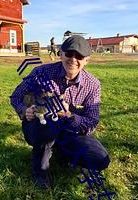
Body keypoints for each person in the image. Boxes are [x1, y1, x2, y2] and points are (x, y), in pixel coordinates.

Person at [10, 35, 110, 189]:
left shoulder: (93, 85)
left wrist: (69, 115)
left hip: (70, 130)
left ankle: (62, 153)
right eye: (69, 54)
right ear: (60, 54)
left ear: (87, 60)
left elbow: (92, 122)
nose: (73, 60)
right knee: (48, 123)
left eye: (79, 56)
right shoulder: (40, 73)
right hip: (39, 126)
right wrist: (24, 111)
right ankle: (41, 173)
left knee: (100, 159)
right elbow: (16, 96)